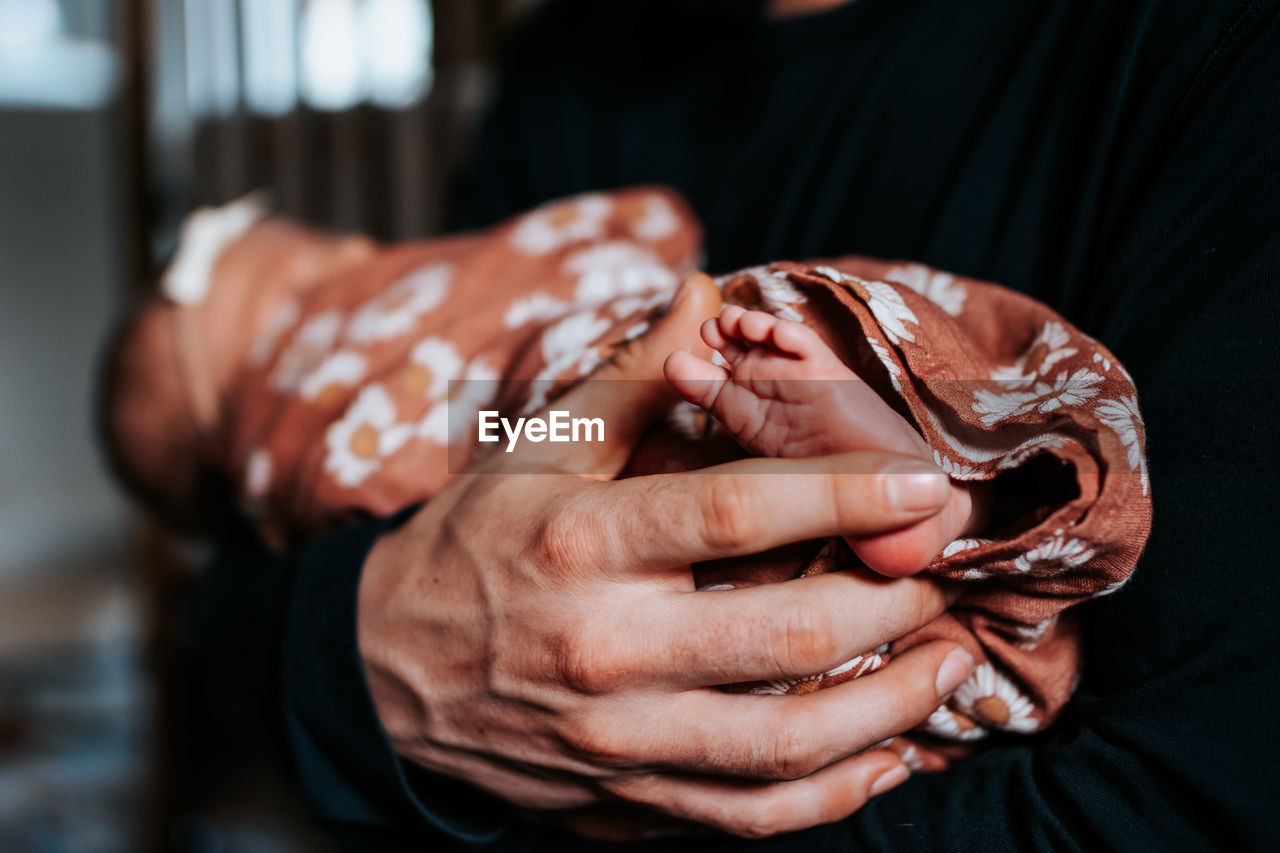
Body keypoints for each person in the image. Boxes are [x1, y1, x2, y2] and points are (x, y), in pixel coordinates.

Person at [173, 0, 1280, 849]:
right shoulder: (574, 61)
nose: (356, 264)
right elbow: (280, 606)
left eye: (324, 261)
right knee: (625, 424)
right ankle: (935, 483)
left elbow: (1195, 797)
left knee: (643, 406)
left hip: (590, 421)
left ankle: (910, 472)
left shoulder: (1209, 48)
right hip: (541, 428)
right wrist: (373, 639)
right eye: (287, 287)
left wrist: (432, 693)